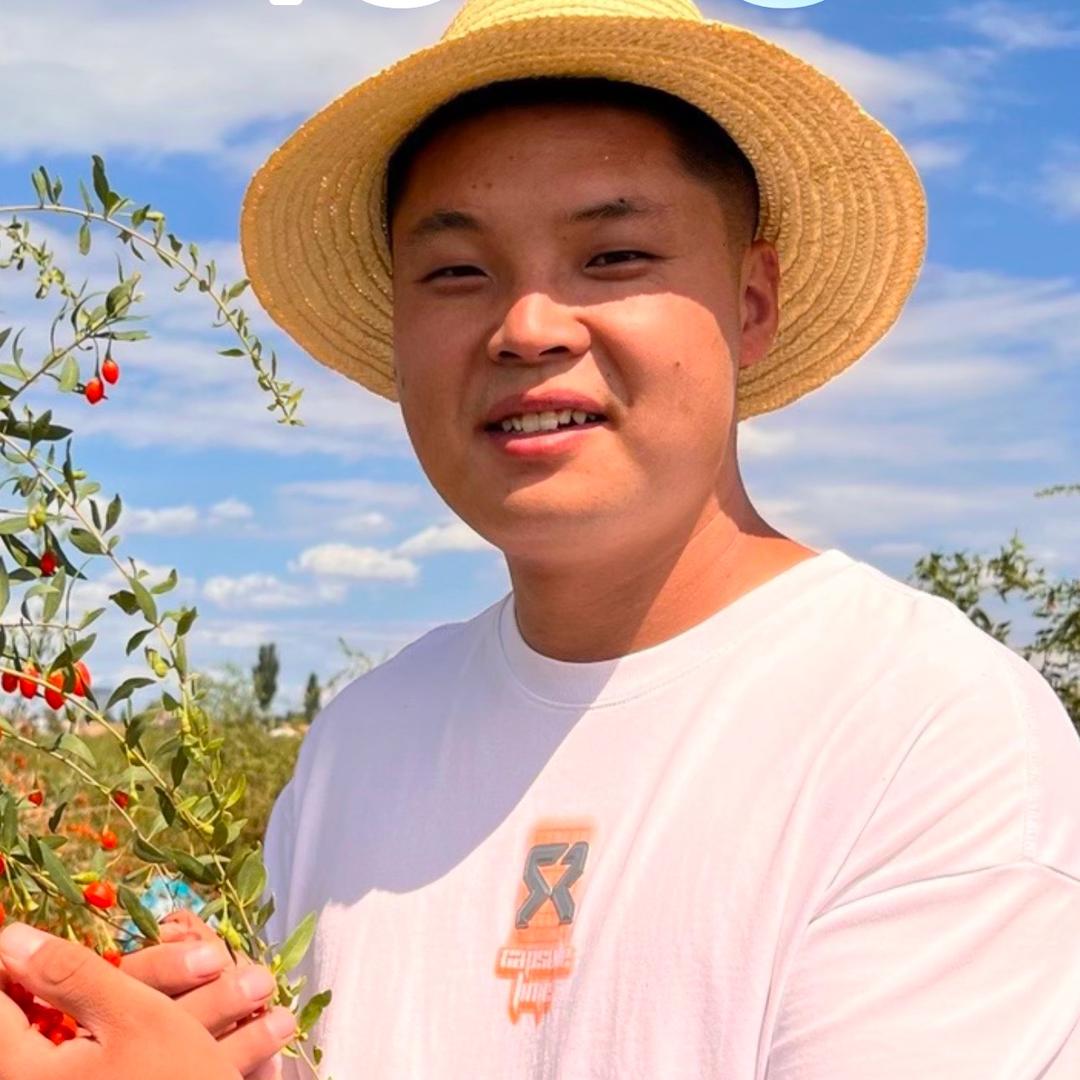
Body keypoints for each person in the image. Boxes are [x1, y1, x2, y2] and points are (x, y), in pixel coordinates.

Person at [5, 0, 1080, 1076]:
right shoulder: (360, 745)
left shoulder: (930, 734)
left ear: (752, 305)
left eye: (613, 255)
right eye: (456, 272)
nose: (526, 327)